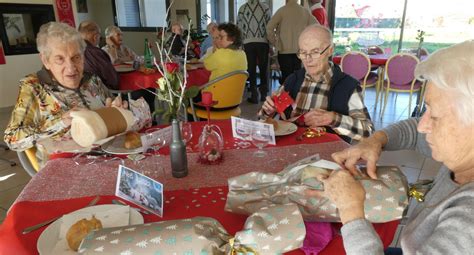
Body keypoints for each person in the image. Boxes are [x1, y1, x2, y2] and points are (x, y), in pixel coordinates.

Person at [308, 41, 474, 254]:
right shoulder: (463, 156)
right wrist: (376, 140)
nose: (423, 126)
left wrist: (350, 209)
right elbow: (413, 130)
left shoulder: (467, 224)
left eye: (434, 115)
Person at [3, 22, 127, 166]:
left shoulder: (92, 79)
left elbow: (111, 110)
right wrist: (60, 122)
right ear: (46, 60)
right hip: (64, 167)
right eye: (60, 59)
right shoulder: (33, 87)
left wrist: (116, 112)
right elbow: (12, 138)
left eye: (76, 57)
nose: (71, 68)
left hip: (108, 157)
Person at [261, 25, 373, 142]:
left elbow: (368, 132)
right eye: (303, 52)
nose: (308, 59)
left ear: (330, 50)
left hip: (327, 155)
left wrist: (333, 118)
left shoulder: (348, 86)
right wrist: (268, 111)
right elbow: (263, 116)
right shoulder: (293, 80)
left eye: (315, 52)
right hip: (290, 149)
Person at [266, 0, 317, 84]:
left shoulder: (282, 11)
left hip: (284, 50)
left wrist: (275, 43)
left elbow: (269, 28)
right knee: (298, 79)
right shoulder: (304, 12)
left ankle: (285, 96)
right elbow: (317, 27)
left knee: (286, 78)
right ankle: (296, 96)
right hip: (300, 51)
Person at [237, 0, 272, 104]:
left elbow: (239, 27)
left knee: (251, 69)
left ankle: (254, 95)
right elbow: (269, 27)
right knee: (263, 68)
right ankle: (264, 94)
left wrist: (241, 43)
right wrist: (270, 43)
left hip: (248, 43)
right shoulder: (265, 8)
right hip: (263, 42)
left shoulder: (242, 9)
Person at [78, 20, 119, 90]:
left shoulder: (73, 50)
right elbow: (113, 80)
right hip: (104, 94)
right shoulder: (95, 53)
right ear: (95, 37)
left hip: (82, 94)